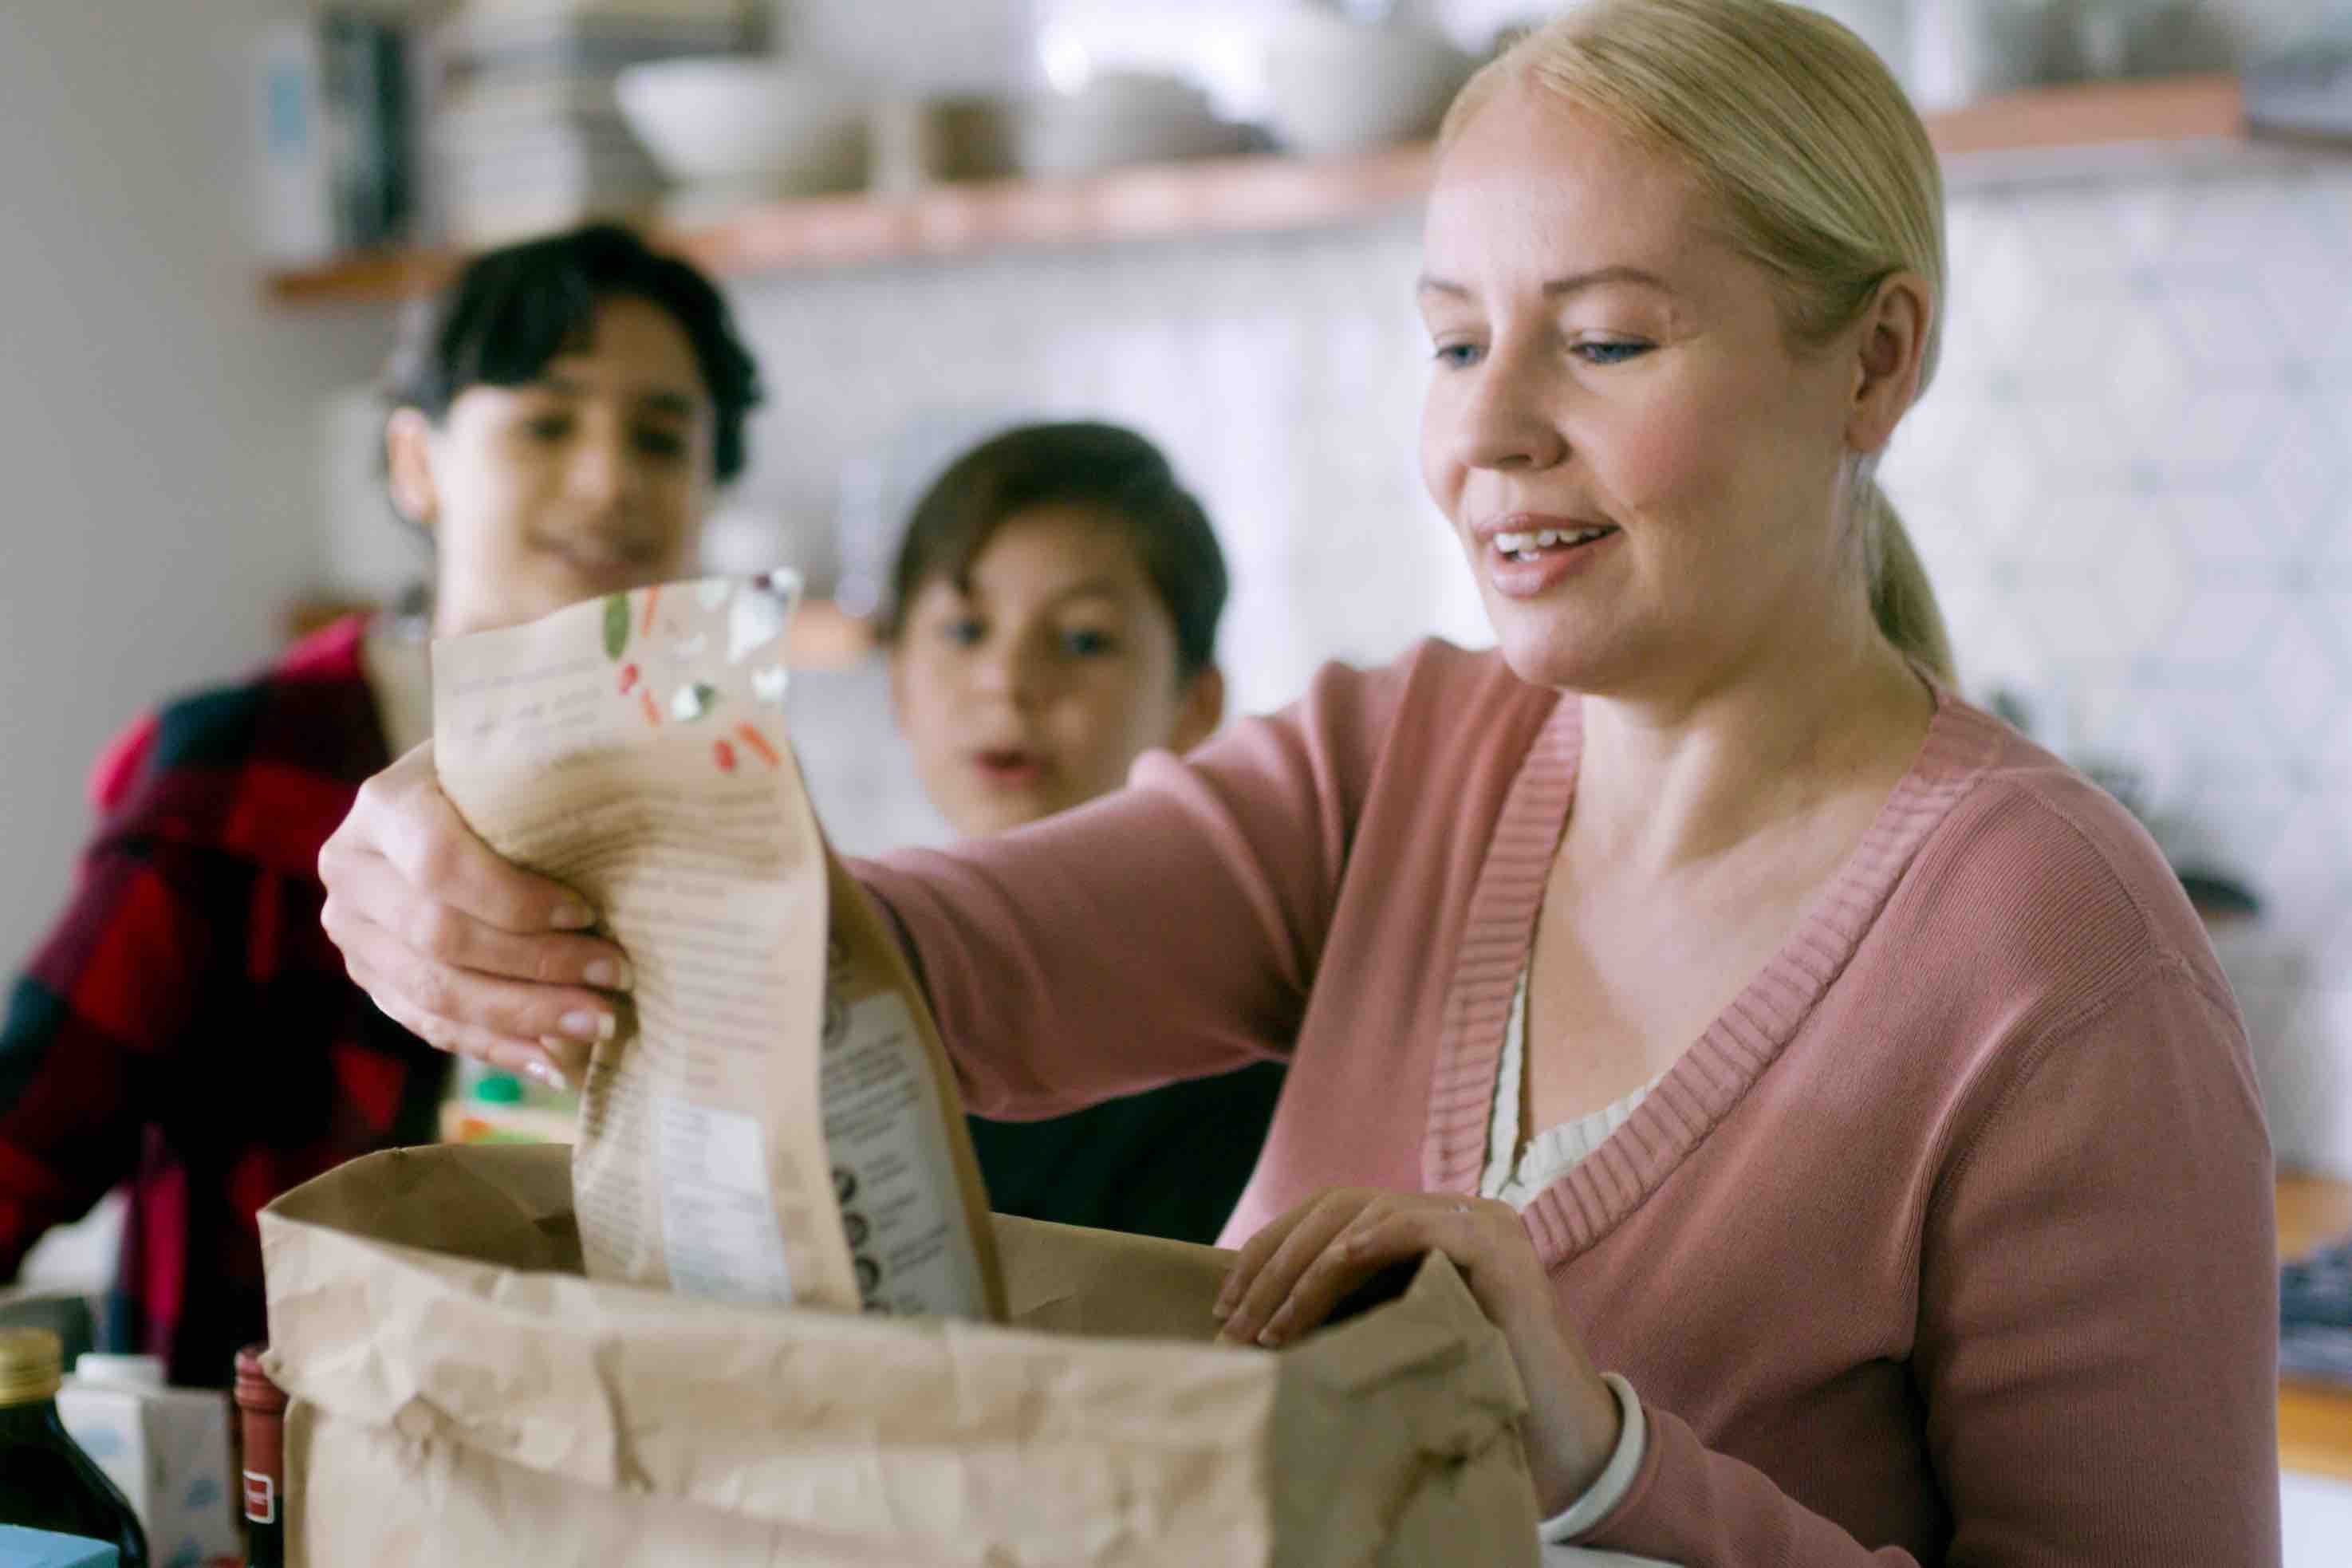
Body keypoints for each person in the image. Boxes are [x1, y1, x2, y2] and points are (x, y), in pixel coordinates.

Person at [314, 2, 2281, 1560]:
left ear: (1873, 364)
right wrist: (481, 833)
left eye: (1601, 339)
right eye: (1449, 341)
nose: (1489, 431)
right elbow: (903, 964)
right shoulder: (1393, 766)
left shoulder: (2055, 956)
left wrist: (1596, 1456)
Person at [0, 223, 762, 1385]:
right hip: (291, 1464)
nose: (612, 481)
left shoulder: (718, 780)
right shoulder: (245, 764)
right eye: (547, 423)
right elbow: (23, 1135)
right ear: (418, 464)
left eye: (662, 439)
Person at [882, 421, 1283, 1243]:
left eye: (1083, 639)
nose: (1008, 682)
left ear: (1197, 704)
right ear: (897, 679)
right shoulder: (857, 981)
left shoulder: (1243, 1040)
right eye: (964, 630)